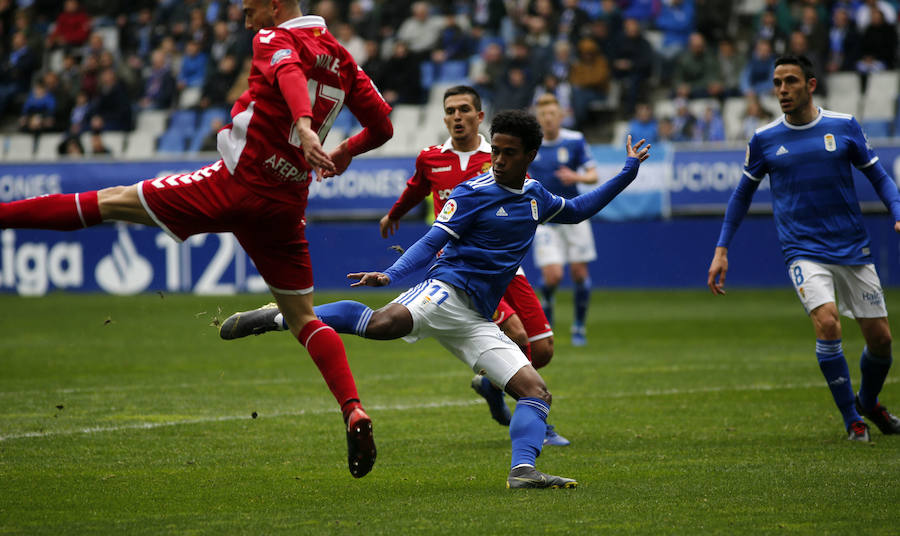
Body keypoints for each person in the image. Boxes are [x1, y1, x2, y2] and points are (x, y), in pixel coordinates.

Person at [0, 0, 395, 477]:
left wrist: (306, 128)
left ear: (275, 6)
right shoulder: (343, 59)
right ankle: (352, 407)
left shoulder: (274, 38)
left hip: (231, 185)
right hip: (286, 204)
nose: (243, 14)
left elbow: (288, 72)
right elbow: (383, 124)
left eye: (250, 6)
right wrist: (346, 149)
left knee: (110, 201)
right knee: (303, 319)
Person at [310, 110, 648, 487]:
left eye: (509, 153)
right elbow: (432, 240)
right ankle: (286, 315)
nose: (499, 160)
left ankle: (523, 471)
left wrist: (626, 173)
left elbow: (578, 209)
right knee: (381, 324)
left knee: (536, 392)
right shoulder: (473, 191)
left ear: (530, 156)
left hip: (478, 318)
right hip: (448, 291)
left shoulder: (535, 196)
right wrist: (391, 274)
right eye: (496, 151)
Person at [220, 85, 571, 446]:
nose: (456, 117)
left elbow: (560, 205)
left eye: (464, 110)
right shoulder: (432, 157)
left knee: (542, 348)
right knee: (511, 330)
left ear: (479, 117)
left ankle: (497, 385)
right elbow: (418, 190)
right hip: (462, 270)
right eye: (450, 111)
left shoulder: (500, 154)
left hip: (509, 268)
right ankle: (534, 421)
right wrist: (396, 214)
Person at [707, 54, 900, 442]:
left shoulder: (843, 126)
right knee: (827, 322)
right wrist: (721, 248)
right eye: (777, 83)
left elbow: (878, 174)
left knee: (881, 340)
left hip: (852, 247)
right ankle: (853, 420)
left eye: (790, 81)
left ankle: (868, 400)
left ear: (810, 85)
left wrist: (896, 209)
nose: (782, 90)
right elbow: (741, 196)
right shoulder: (764, 139)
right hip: (803, 249)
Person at [530, 94, 599, 347]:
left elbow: (593, 175)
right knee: (553, 276)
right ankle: (547, 300)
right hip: (545, 220)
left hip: (575, 215)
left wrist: (575, 177)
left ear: (561, 116)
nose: (548, 119)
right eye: (543, 114)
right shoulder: (531, 143)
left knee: (580, 273)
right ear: (538, 118)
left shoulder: (575, 140)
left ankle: (579, 325)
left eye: (552, 114)